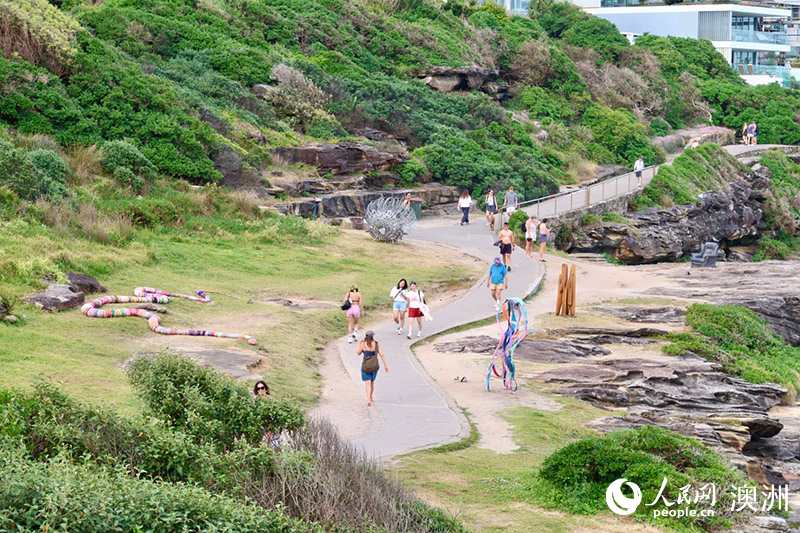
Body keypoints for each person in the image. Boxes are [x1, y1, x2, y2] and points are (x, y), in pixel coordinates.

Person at [358, 331, 389, 406]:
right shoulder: (376, 344)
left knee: (367, 384)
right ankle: (371, 396)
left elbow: (358, 353)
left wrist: (360, 346)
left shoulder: (363, 344)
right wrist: (386, 365)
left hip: (366, 366)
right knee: (372, 382)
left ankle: (368, 399)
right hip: (374, 366)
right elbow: (382, 354)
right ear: (373, 336)